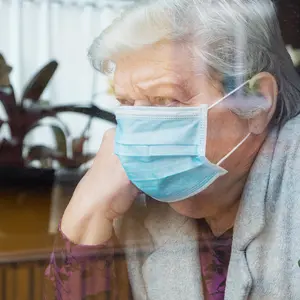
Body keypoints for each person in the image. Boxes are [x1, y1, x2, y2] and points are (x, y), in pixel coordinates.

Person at [44, 0, 300, 299]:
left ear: (256, 103)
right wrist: (87, 210)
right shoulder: (130, 203)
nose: (139, 132)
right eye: (127, 104)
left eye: (165, 100)